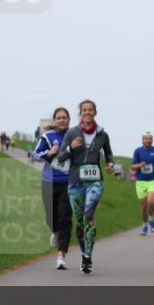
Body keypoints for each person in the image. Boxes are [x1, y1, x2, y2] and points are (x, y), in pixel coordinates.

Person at [56, 100, 114, 274]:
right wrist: (70, 147)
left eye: (90, 110)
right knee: (80, 221)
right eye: (84, 110)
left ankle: (88, 256)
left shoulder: (102, 134)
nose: (87, 112)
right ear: (80, 113)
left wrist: (110, 163)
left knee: (89, 214)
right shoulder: (72, 133)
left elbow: (109, 152)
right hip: (75, 181)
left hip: (95, 180)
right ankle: (83, 252)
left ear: (95, 112)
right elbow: (60, 157)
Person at [32, 108, 73, 269]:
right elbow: (35, 155)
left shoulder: (74, 135)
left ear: (69, 120)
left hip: (68, 183)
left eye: (65, 118)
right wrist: (49, 152)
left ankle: (61, 255)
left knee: (65, 218)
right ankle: (54, 231)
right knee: (51, 217)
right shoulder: (48, 136)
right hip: (49, 181)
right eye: (59, 118)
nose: (62, 120)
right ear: (54, 121)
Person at [131, 132, 154, 235]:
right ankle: (145, 224)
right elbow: (132, 167)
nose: (148, 140)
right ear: (143, 140)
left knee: (151, 202)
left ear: (152, 140)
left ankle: (151, 219)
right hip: (140, 181)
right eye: (146, 139)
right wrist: (140, 165)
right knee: (144, 206)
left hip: (152, 180)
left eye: (150, 139)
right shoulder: (138, 151)